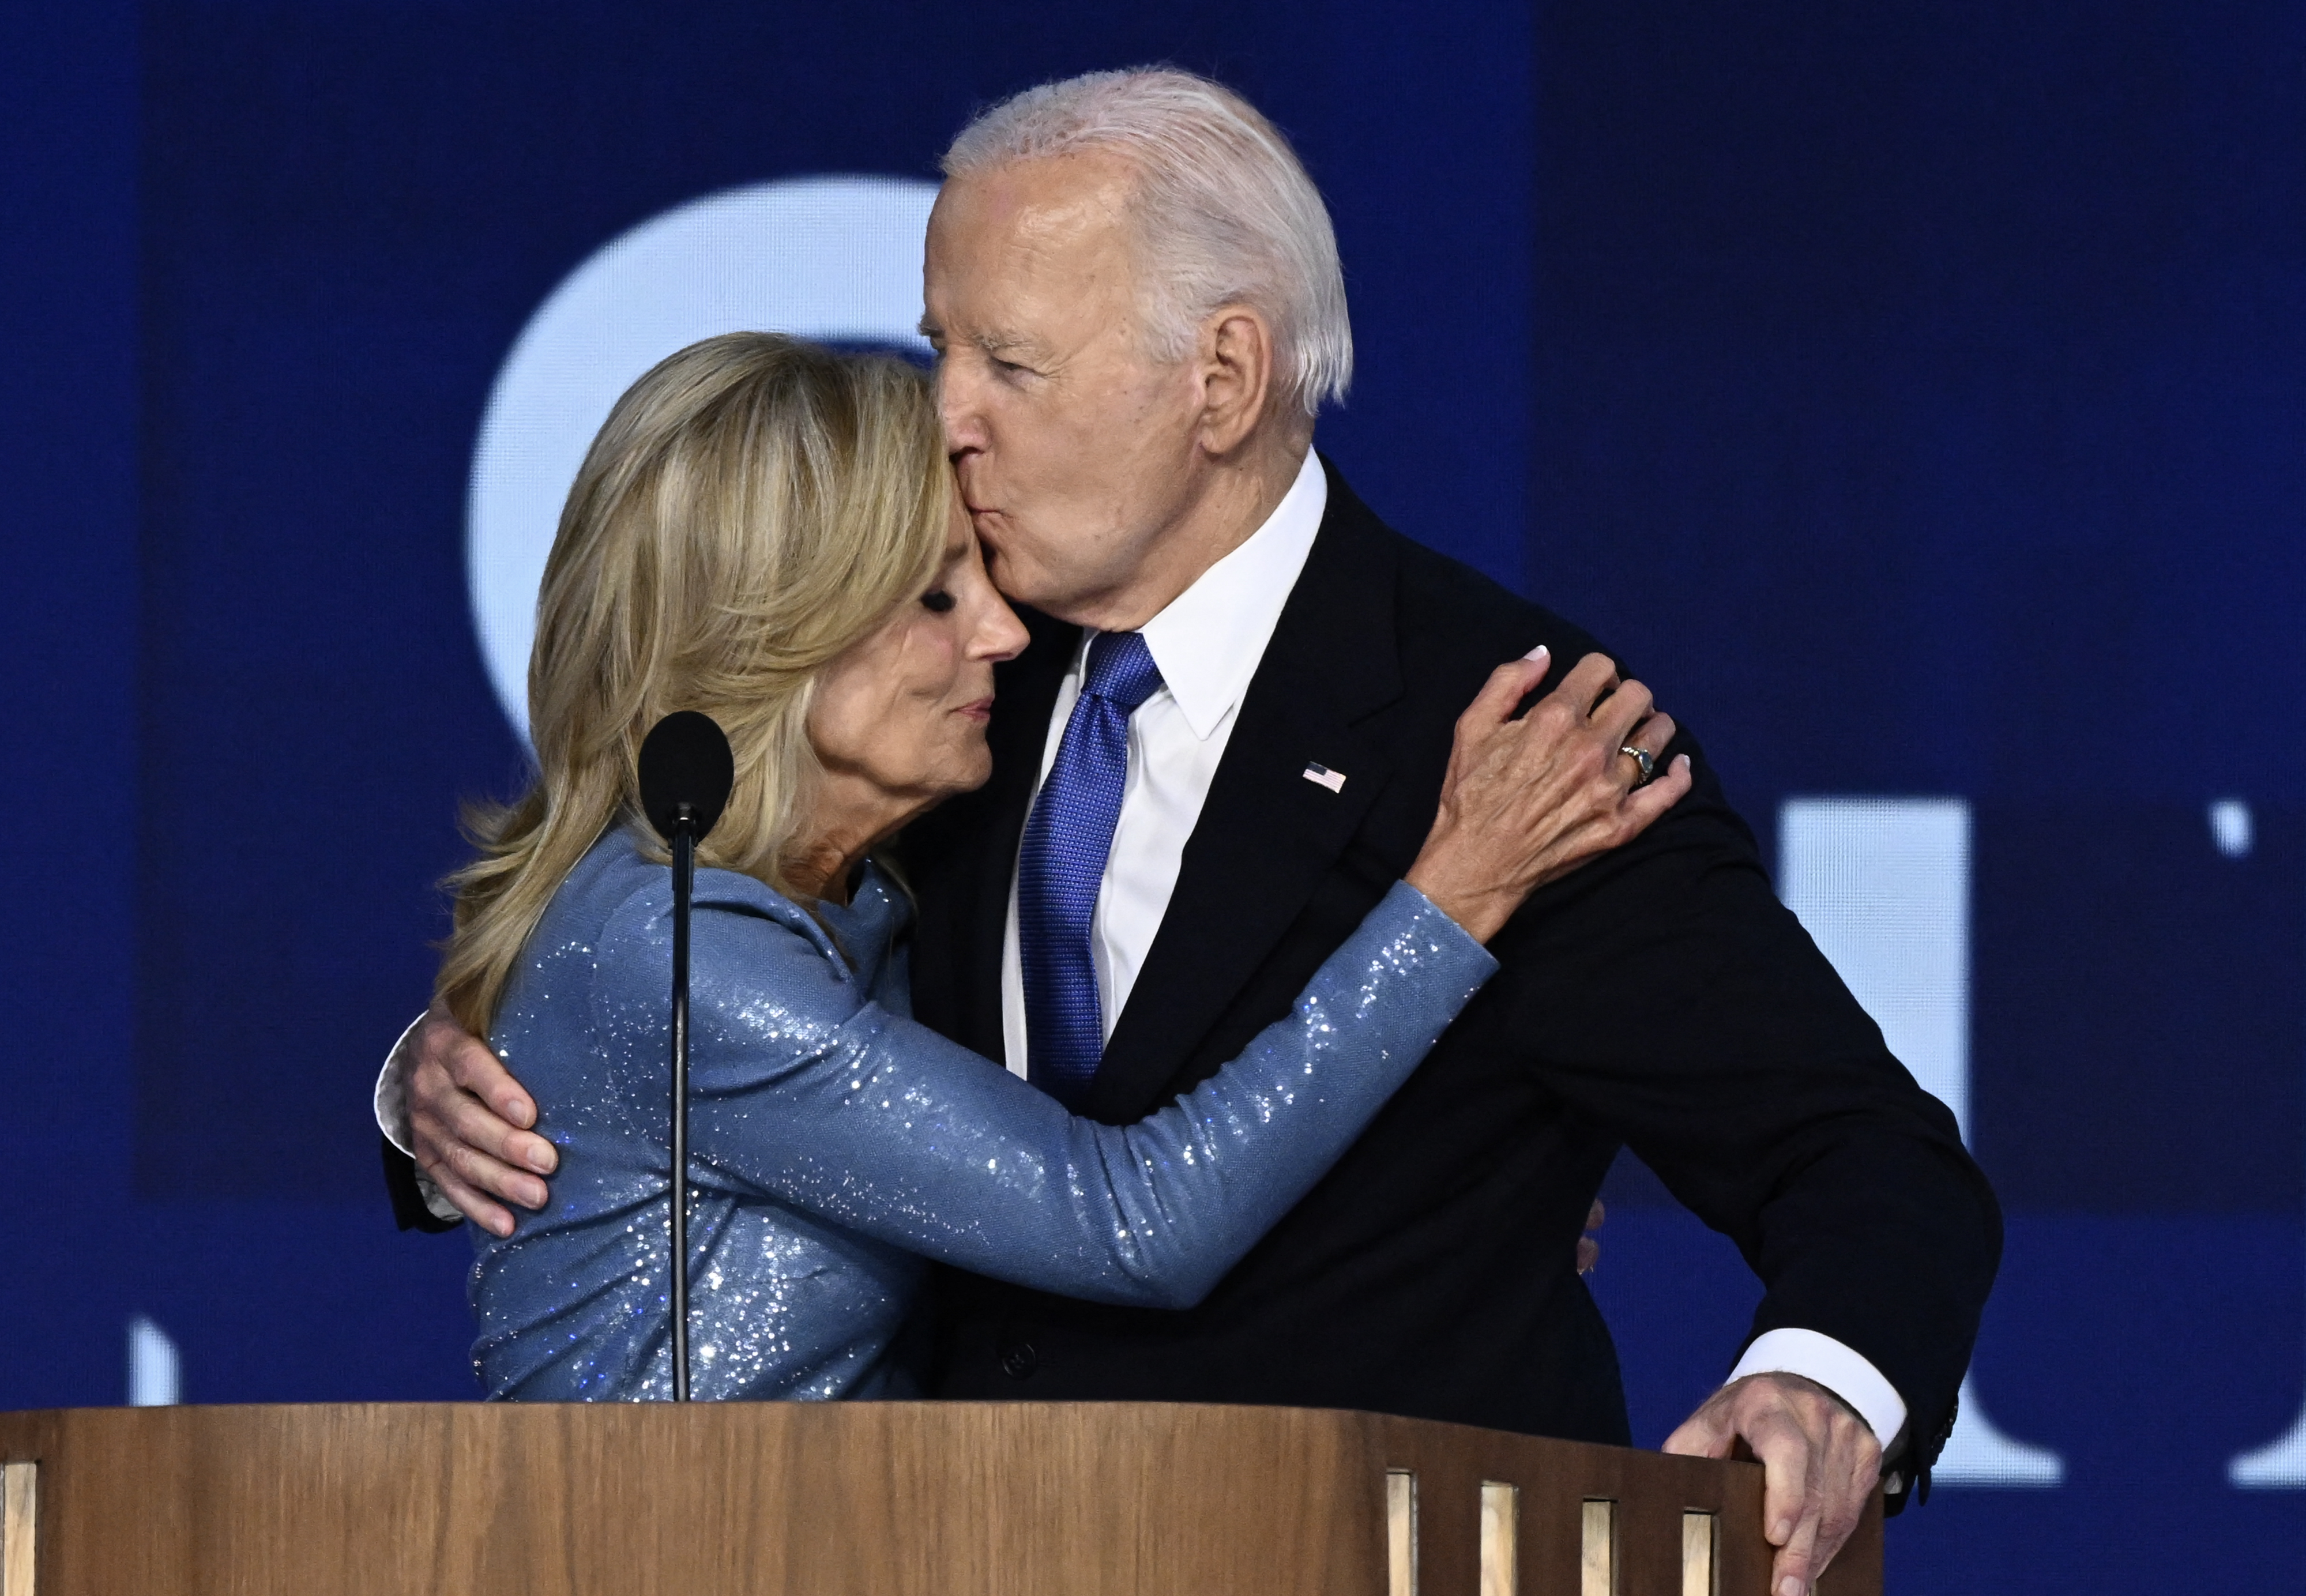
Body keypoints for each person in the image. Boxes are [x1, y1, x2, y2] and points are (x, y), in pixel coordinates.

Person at [386, 70, 1999, 1596]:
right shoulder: (930, 670)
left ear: (1219, 379)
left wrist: (1822, 1385)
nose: (944, 417)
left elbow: (1862, 1157)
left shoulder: (1512, 739)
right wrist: (451, 1076)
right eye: (938, 345)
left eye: (1008, 366)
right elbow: (712, 960)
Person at [445, 330, 1687, 1401]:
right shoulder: (674, 950)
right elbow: (1129, 1220)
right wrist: (1449, 897)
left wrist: (1446, 1196)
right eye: (934, 598)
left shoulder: (862, 903)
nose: (999, 631)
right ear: (769, 634)